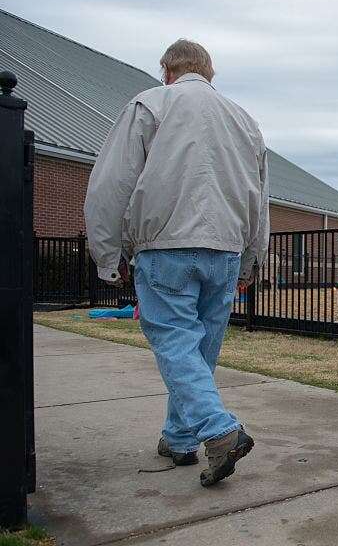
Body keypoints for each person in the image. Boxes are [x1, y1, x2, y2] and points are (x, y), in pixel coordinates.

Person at [85, 39, 269, 487]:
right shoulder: (244, 120)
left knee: (174, 341)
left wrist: (107, 255)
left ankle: (219, 431)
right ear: (210, 73)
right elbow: (259, 200)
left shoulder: (150, 104)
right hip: (226, 248)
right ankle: (180, 438)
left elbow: (112, 183)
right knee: (199, 348)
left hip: (165, 243)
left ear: (166, 71)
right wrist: (251, 262)